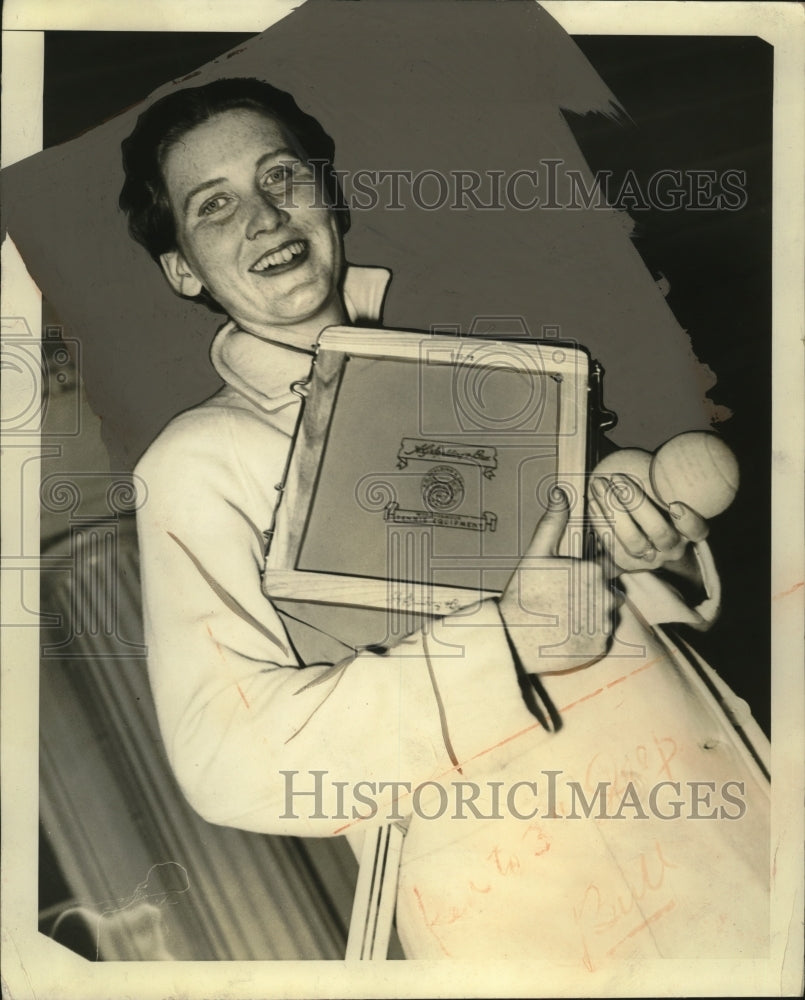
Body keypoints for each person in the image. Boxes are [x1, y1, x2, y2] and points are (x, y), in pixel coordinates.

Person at [120, 78, 766, 962]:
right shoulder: (197, 463)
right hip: (525, 910)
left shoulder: (484, 379)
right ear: (184, 268)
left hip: (714, 828)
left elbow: (633, 604)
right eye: (215, 205)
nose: (264, 217)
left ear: (328, 197)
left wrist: (655, 546)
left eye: (281, 176)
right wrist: (505, 643)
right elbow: (228, 759)